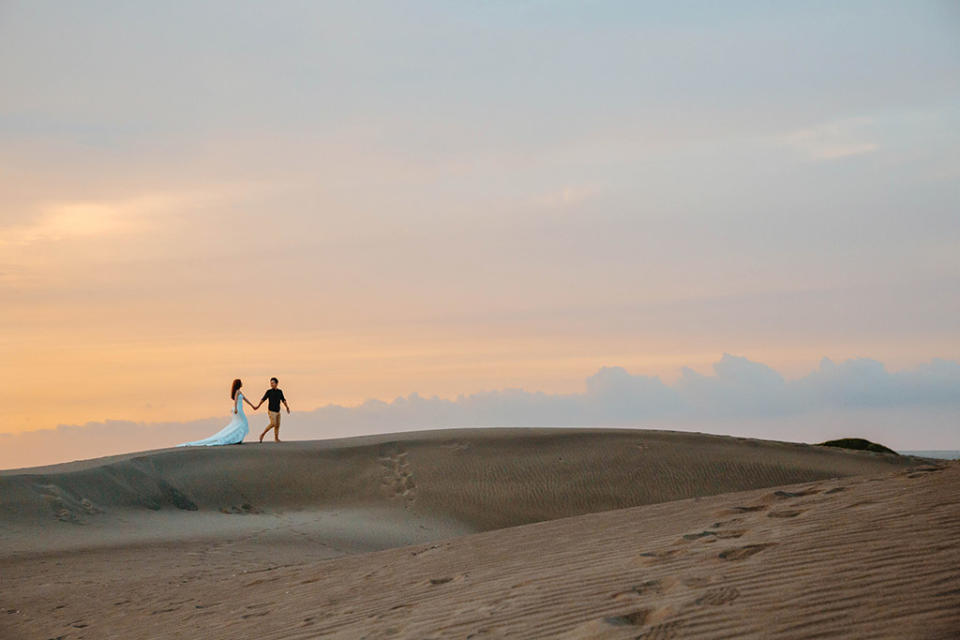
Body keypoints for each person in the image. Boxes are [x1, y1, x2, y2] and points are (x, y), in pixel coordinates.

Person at [178, 379, 255, 446]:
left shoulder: (239, 392)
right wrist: (235, 408)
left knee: (238, 424)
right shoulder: (237, 392)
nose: (242, 383)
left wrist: (253, 406)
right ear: (238, 384)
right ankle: (237, 439)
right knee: (242, 423)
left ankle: (237, 439)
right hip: (238, 409)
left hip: (238, 409)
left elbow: (245, 399)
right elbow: (235, 401)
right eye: (241, 382)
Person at [254, 377, 290, 443]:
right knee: (273, 423)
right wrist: (258, 406)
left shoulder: (280, 391)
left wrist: (287, 407)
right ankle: (262, 434)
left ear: (276, 383)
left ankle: (276, 439)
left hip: (278, 411)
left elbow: (283, 400)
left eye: (273, 383)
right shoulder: (269, 392)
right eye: (271, 383)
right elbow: (263, 399)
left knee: (277, 425)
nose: (271, 384)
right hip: (271, 411)